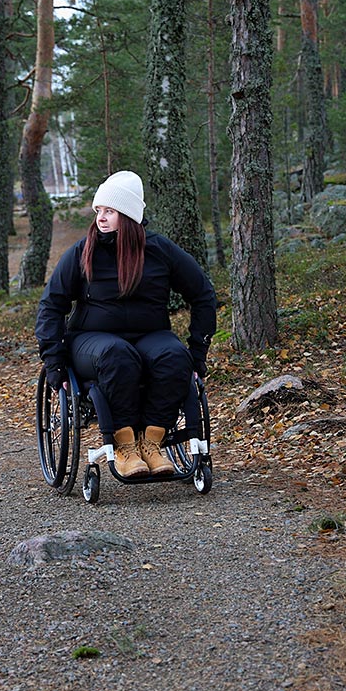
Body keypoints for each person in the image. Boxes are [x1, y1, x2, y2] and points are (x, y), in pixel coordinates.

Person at [35, 170, 217, 479]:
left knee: (174, 357)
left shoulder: (160, 250)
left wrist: (197, 352)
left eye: (109, 211)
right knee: (117, 354)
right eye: (99, 211)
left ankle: (152, 442)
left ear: (129, 215)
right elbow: (51, 305)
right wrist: (54, 361)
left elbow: (203, 294)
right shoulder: (83, 251)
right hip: (90, 340)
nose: (100, 218)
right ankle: (124, 446)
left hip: (149, 334)